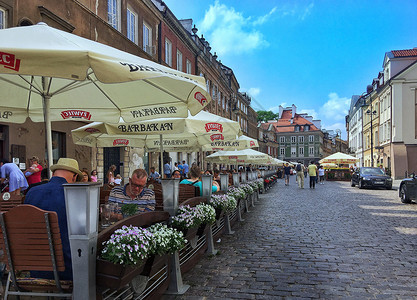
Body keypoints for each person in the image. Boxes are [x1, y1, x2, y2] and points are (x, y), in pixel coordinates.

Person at [24, 157, 83, 280]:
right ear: (74, 177)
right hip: (66, 270)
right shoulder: (73, 195)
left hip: (35, 268)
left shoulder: (32, 192)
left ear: (54, 173)